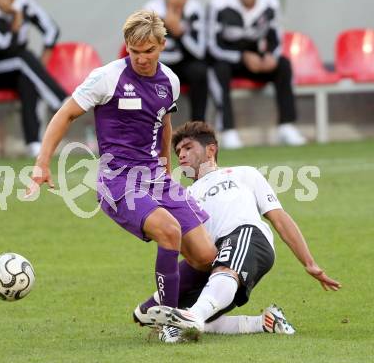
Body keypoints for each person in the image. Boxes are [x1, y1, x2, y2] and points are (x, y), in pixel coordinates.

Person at [27, 10, 217, 315]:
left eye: (149, 51)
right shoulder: (106, 77)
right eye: (134, 51)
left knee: (206, 256)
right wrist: (43, 162)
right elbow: (65, 114)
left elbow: (164, 122)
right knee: (169, 231)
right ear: (126, 46)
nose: (141, 58)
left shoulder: (170, 80)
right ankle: (168, 322)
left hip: (156, 178)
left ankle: (152, 309)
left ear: (162, 46)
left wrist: (166, 163)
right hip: (118, 181)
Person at [144, 121, 341, 341]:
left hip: (247, 236)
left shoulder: (244, 174)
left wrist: (309, 262)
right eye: (178, 151)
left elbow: (279, 218)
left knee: (202, 301)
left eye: (188, 147)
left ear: (211, 149)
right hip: (214, 255)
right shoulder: (184, 196)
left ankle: (190, 318)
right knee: (189, 311)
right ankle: (264, 322)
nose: (181, 155)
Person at [207, 0, 306, 149]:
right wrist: (242, 57)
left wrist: (270, 56)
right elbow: (211, 46)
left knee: (283, 64)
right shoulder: (218, 4)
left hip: (257, 58)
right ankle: (228, 130)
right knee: (218, 69)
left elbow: (276, 37)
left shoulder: (271, 3)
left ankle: (286, 125)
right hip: (229, 58)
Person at [0, 0, 67, 157]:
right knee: (23, 58)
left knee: (28, 79)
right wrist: (16, 18)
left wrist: (42, 64)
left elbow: (51, 29)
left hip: (20, 67)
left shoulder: (24, 3)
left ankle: (34, 143)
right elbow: (3, 46)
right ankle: (62, 103)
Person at [144, 0, 208, 122]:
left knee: (200, 70)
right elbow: (145, 49)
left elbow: (200, 52)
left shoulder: (194, 10)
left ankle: (198, 128)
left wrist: (179, 33)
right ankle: (147, 129)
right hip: (159, 63)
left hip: (184, 63)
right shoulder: (151, 10)